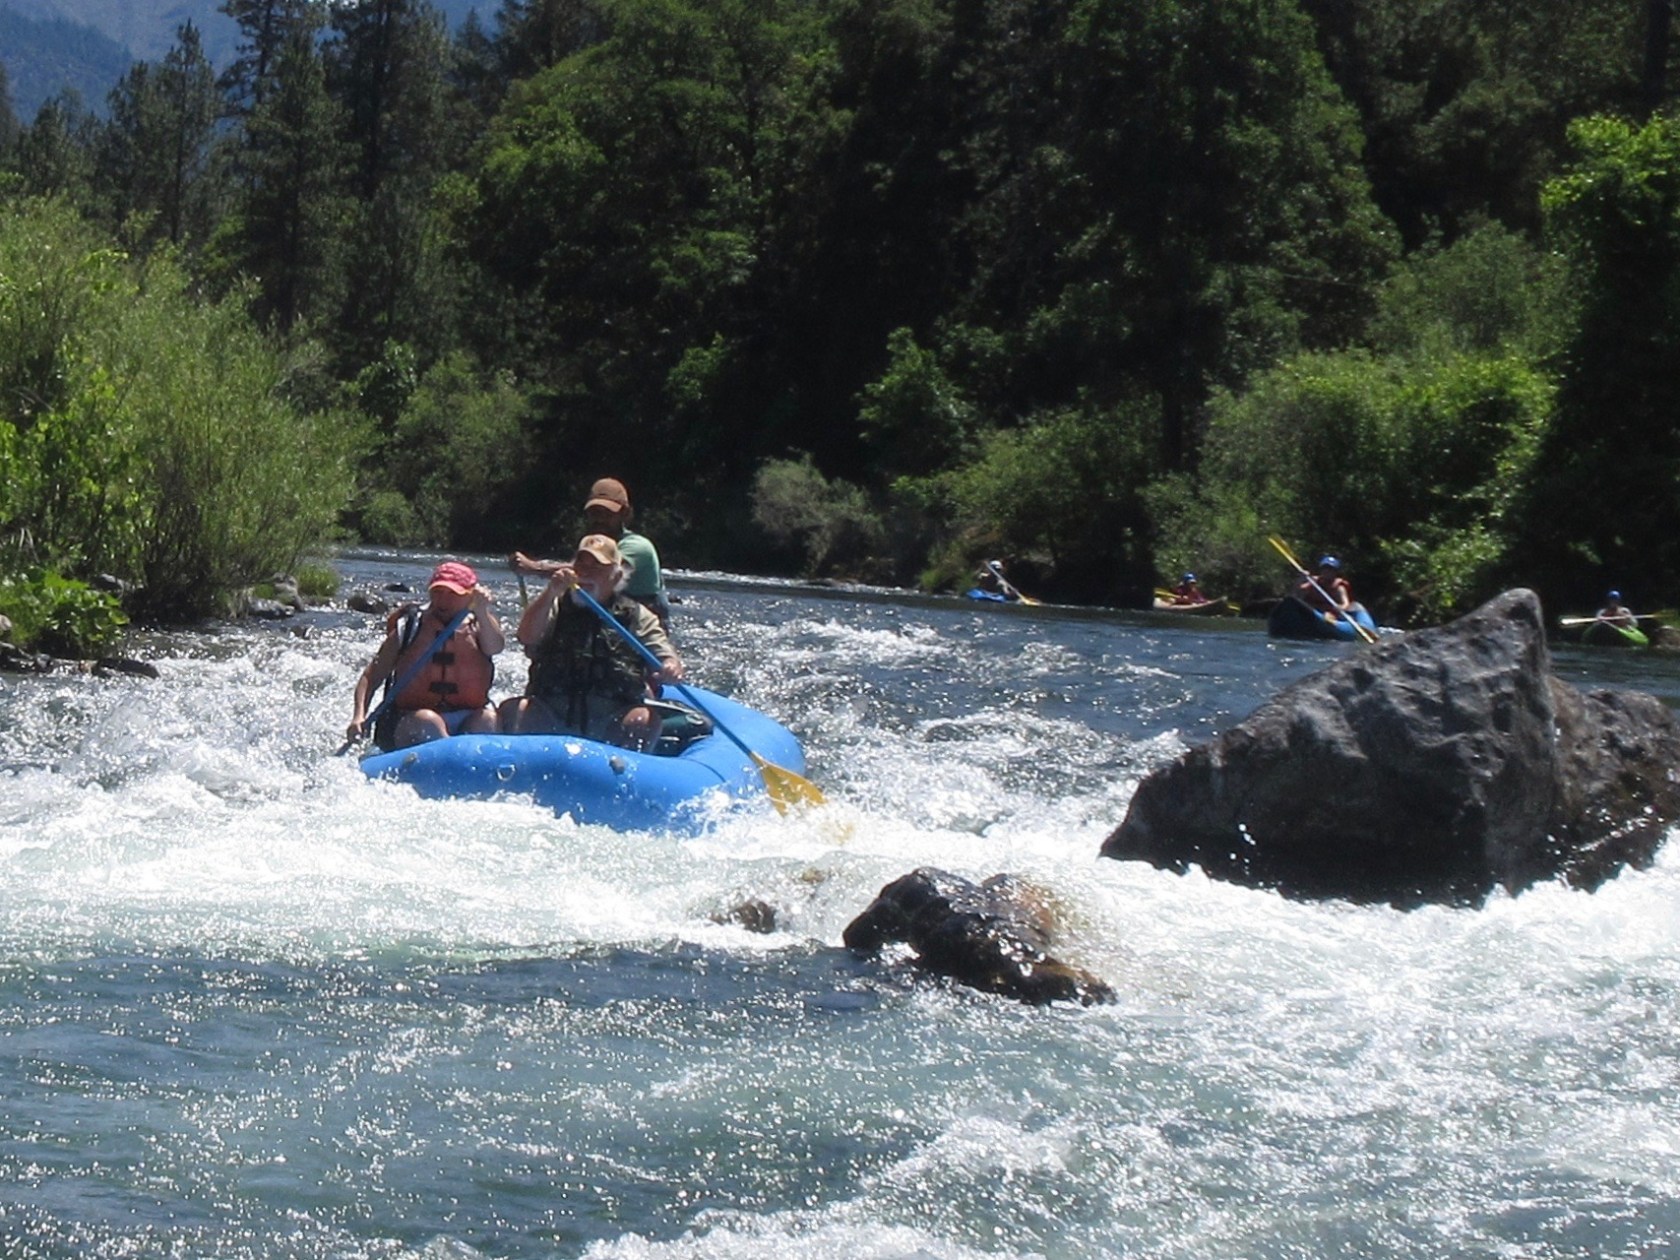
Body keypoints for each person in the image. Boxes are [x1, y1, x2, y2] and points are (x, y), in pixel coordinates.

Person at [499, 534, 685, 748]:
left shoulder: (637, 616)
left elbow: (664, 652)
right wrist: (550, 592)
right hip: (551, 711)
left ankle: (619, 774)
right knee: (515, 709)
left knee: (644, 721)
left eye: (597, 567)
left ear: (615, 576)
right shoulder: (556, 603)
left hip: (611, 716)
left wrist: (671, 666)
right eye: (581, 564)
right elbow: (527, 636)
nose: (585, 572)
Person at [346, 561, 504, 750]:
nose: (443, 601)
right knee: (429, 721)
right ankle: (449, 758)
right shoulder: (410, 626)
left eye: (453, 594)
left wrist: (482, 610)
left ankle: (471, 765)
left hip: (467, 715)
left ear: (470, 596)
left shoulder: (481, 624)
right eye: (438, 592)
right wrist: (359, 716)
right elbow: (371, 677)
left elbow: (496, 647)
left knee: (487, 719)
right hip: (413, 720)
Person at [1299, 555, 1357, 620]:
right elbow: (1299, 591)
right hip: (1314, 610)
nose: (1327, 571)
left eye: (1331, 569)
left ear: (1335, 572)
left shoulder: (1339, 587)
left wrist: (1340, 608)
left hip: (1331, 613)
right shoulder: (1314, 581)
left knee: (1329, 616)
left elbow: (1345, 604)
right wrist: (1302, 578)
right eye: (1325, 568)